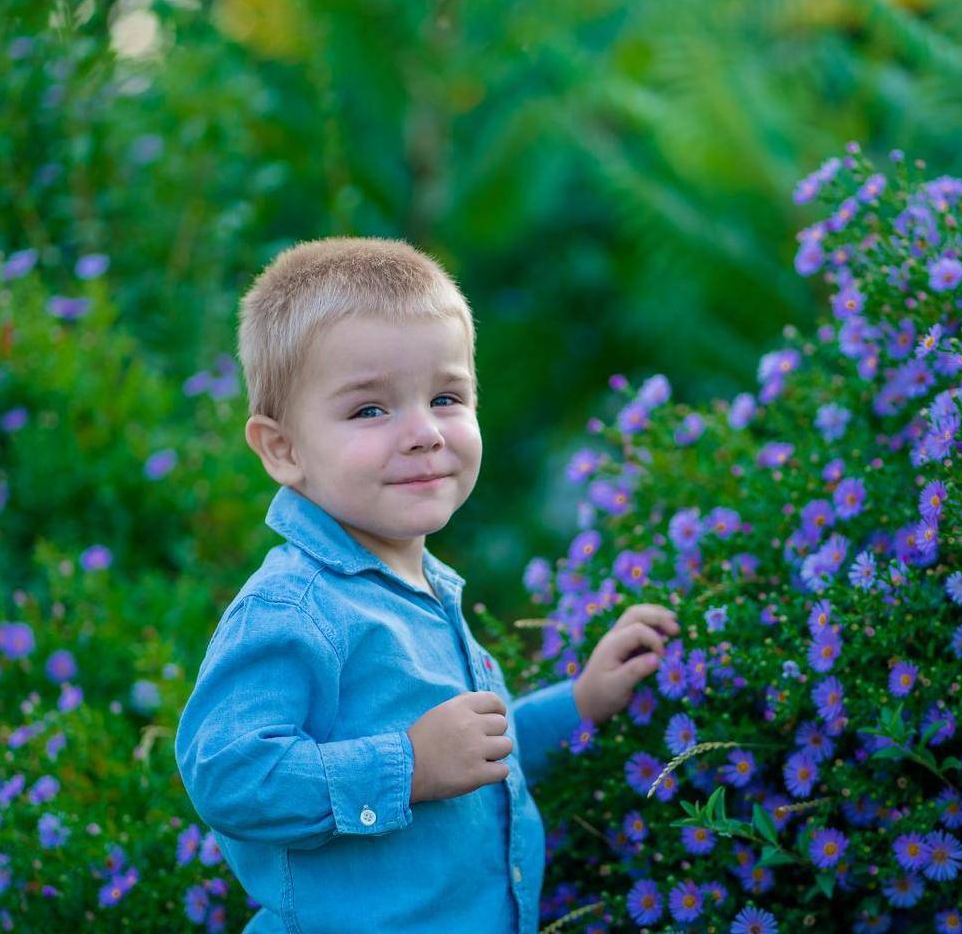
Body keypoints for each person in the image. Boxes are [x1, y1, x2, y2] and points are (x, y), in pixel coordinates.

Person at [174, 237, 679, 932]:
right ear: (283, 449)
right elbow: (227, 774)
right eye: (370, 410)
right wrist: (406, 767)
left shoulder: (420, 588)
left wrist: (581, 703)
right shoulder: (296, 606)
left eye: (445, 397)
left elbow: (473, 762)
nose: (424, 433)